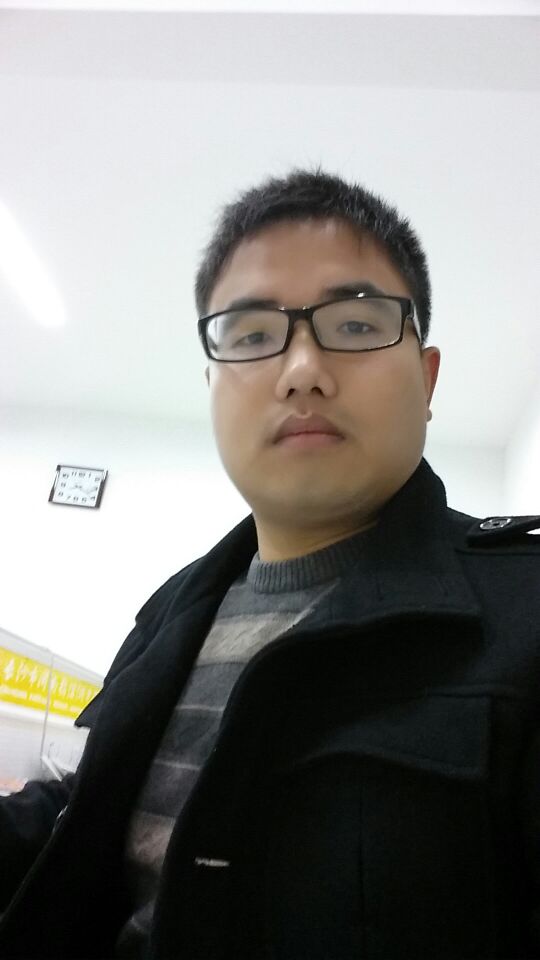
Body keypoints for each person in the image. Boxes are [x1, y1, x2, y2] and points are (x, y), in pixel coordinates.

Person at [0, 168, 539, 960]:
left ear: (426, 379)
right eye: (252, 337)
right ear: (212, 383)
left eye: (354, 324)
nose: (301, 370)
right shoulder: (170, 612)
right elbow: (90, 815)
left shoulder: (525, 612)